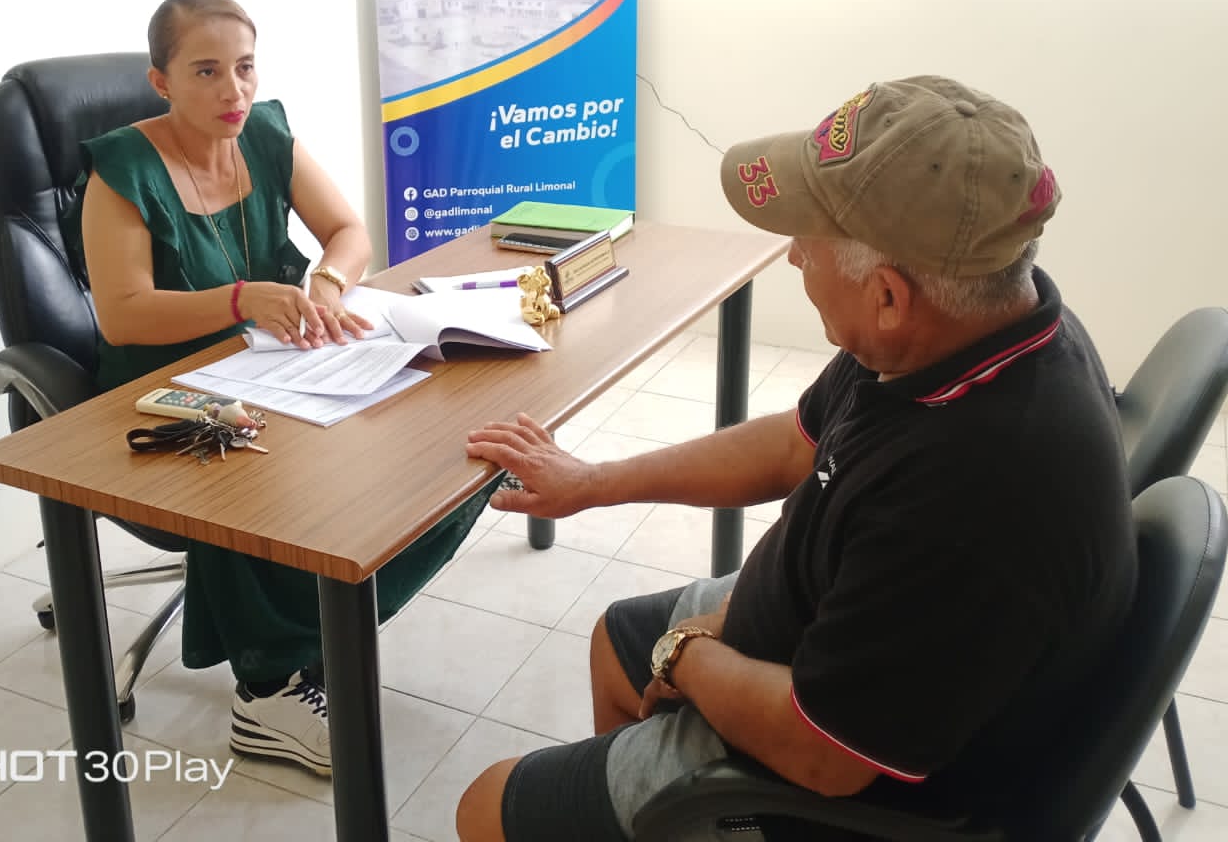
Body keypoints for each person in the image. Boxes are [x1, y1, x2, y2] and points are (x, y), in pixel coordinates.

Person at [455, 76, 1138, 842]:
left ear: (887, 296)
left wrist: (686, 656)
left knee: (487, 807)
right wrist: (593, 482)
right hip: (831, 631)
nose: (791, 255)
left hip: (855, 791)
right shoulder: (967, 327)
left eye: (808, 239)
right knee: (615, 643)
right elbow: (794, 441)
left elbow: (826, 758)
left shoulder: (972, 490)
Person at [79, 0, 489, 776]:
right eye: (206, 71)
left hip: (270, 359)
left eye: (244, 67)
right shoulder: (123, 170)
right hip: (163, 388)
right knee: (251, 471)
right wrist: (242, 299)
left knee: (454, 451)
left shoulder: (265, 134)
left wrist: (327, 284)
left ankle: (314, 632)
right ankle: (267, 690)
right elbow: (122, 316)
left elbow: (347, 231)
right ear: (161, 82)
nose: (232, 90)